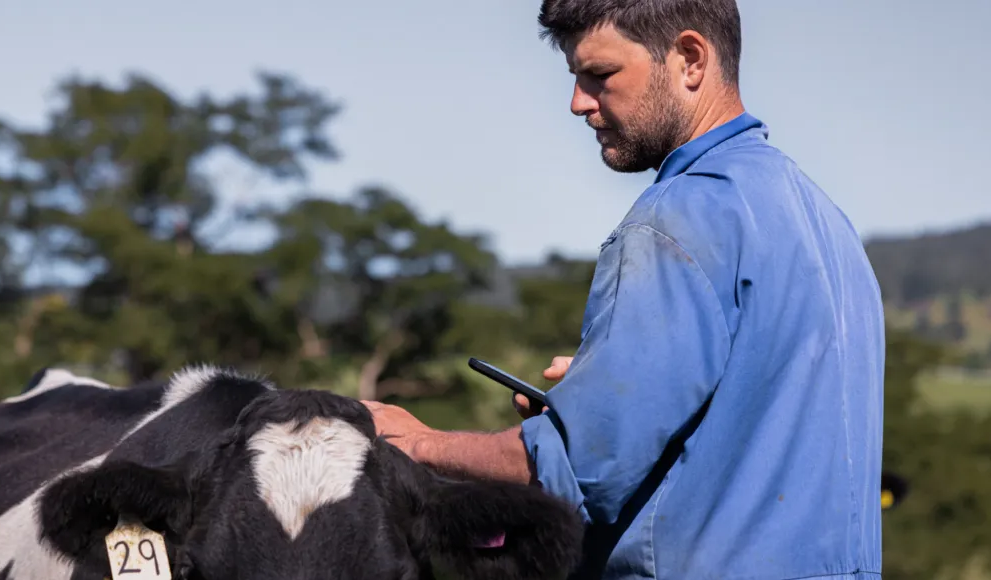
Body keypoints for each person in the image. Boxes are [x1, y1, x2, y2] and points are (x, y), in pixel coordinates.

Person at [361, 0, 886, 579]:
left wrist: (417, 444)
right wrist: (602, 394)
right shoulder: (824, 219)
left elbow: (574, 471)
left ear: (689, 58)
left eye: (601, 75)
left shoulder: (678, 219)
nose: (578, 102)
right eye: (576, 78)